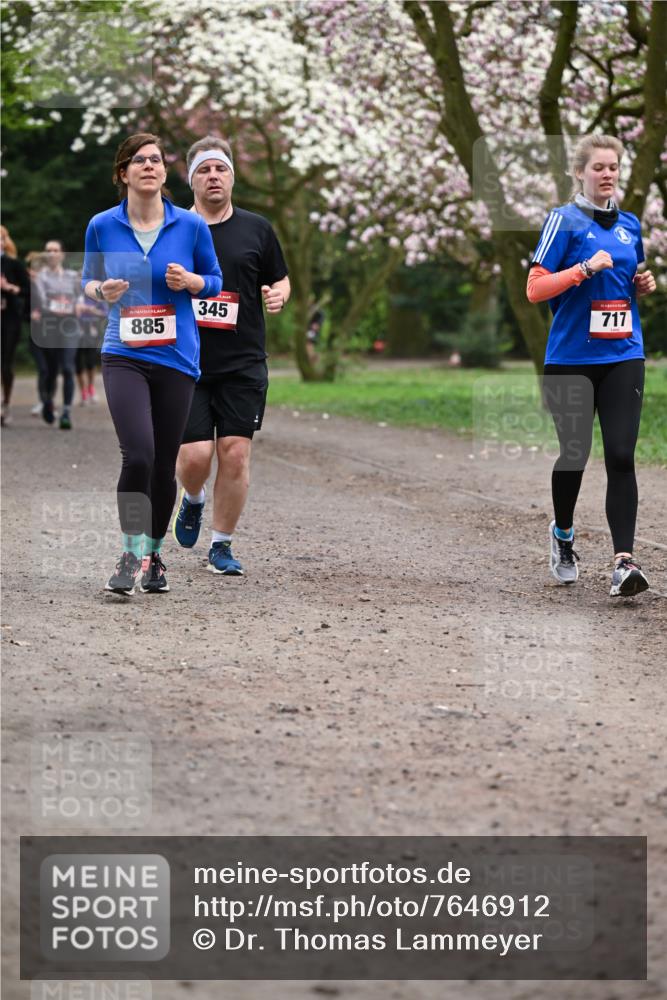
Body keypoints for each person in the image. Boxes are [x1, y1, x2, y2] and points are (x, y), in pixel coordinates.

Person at [81, 132, 222, 595]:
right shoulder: (102, 224)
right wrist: (102, 292)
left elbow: (215, 282)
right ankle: (127, 550)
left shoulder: (190, 226)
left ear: (164, 172)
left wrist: (192, 280)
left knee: (163, 464)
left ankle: (153, 556)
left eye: (156, 160)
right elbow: (87, 281)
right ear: (123, 173)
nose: (149, 166)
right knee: (137, 453)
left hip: (177, 356)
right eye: (139, 160)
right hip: (123, 352)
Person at [527, 133, 656, 598]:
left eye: (614, 167)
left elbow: (626, 279)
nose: (607, 174)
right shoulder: (562, 222)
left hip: (624, 353)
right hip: (570, 359)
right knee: (576, 455)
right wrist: (582, 269)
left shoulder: (629, 225)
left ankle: (624, 562)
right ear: (580, 172)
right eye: (599, 167)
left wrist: (641, 283)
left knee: (621, 455)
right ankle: (563, 537)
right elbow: (535, 289)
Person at [173, 136, 290, 575]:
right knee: (196, 457)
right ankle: (194, 498)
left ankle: (221, 545)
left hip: (243, 361)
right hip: (186, 358)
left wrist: (278, 296)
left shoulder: (256, 228)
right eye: (204, 170)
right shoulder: (174, 228)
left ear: (232, 177)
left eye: (221, 169)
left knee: (235, 452)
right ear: (192, 179)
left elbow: (280, 278)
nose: (213, 176)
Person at [31, 239, 82, 430]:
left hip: (70, 326)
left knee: (68, 367)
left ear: (62, 254)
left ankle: (66, 412)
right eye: (48, 250)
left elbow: (80, 297)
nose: (51, 253)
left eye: (55, 250)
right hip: (49, 326)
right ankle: (47, 402)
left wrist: (75, 305)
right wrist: (62, 305)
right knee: (50, 370)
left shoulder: (72, 276)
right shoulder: (40, 277)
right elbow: (43, 301)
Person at [1, 225, 30, 427]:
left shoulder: (14, 264)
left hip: (9, 318)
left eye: (1, 239)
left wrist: (9, 288)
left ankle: (6, 403)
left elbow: (28, 290)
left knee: (5, 363)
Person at [75, 293, 106, 404]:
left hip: (92, 334)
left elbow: (105, 313)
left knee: (90, 363)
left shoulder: (97, 297)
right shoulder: (76, 297)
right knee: (78, 365)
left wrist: (92, 311)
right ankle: (83, 392)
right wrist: (78, 310)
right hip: (76, 334)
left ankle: (91, 389)